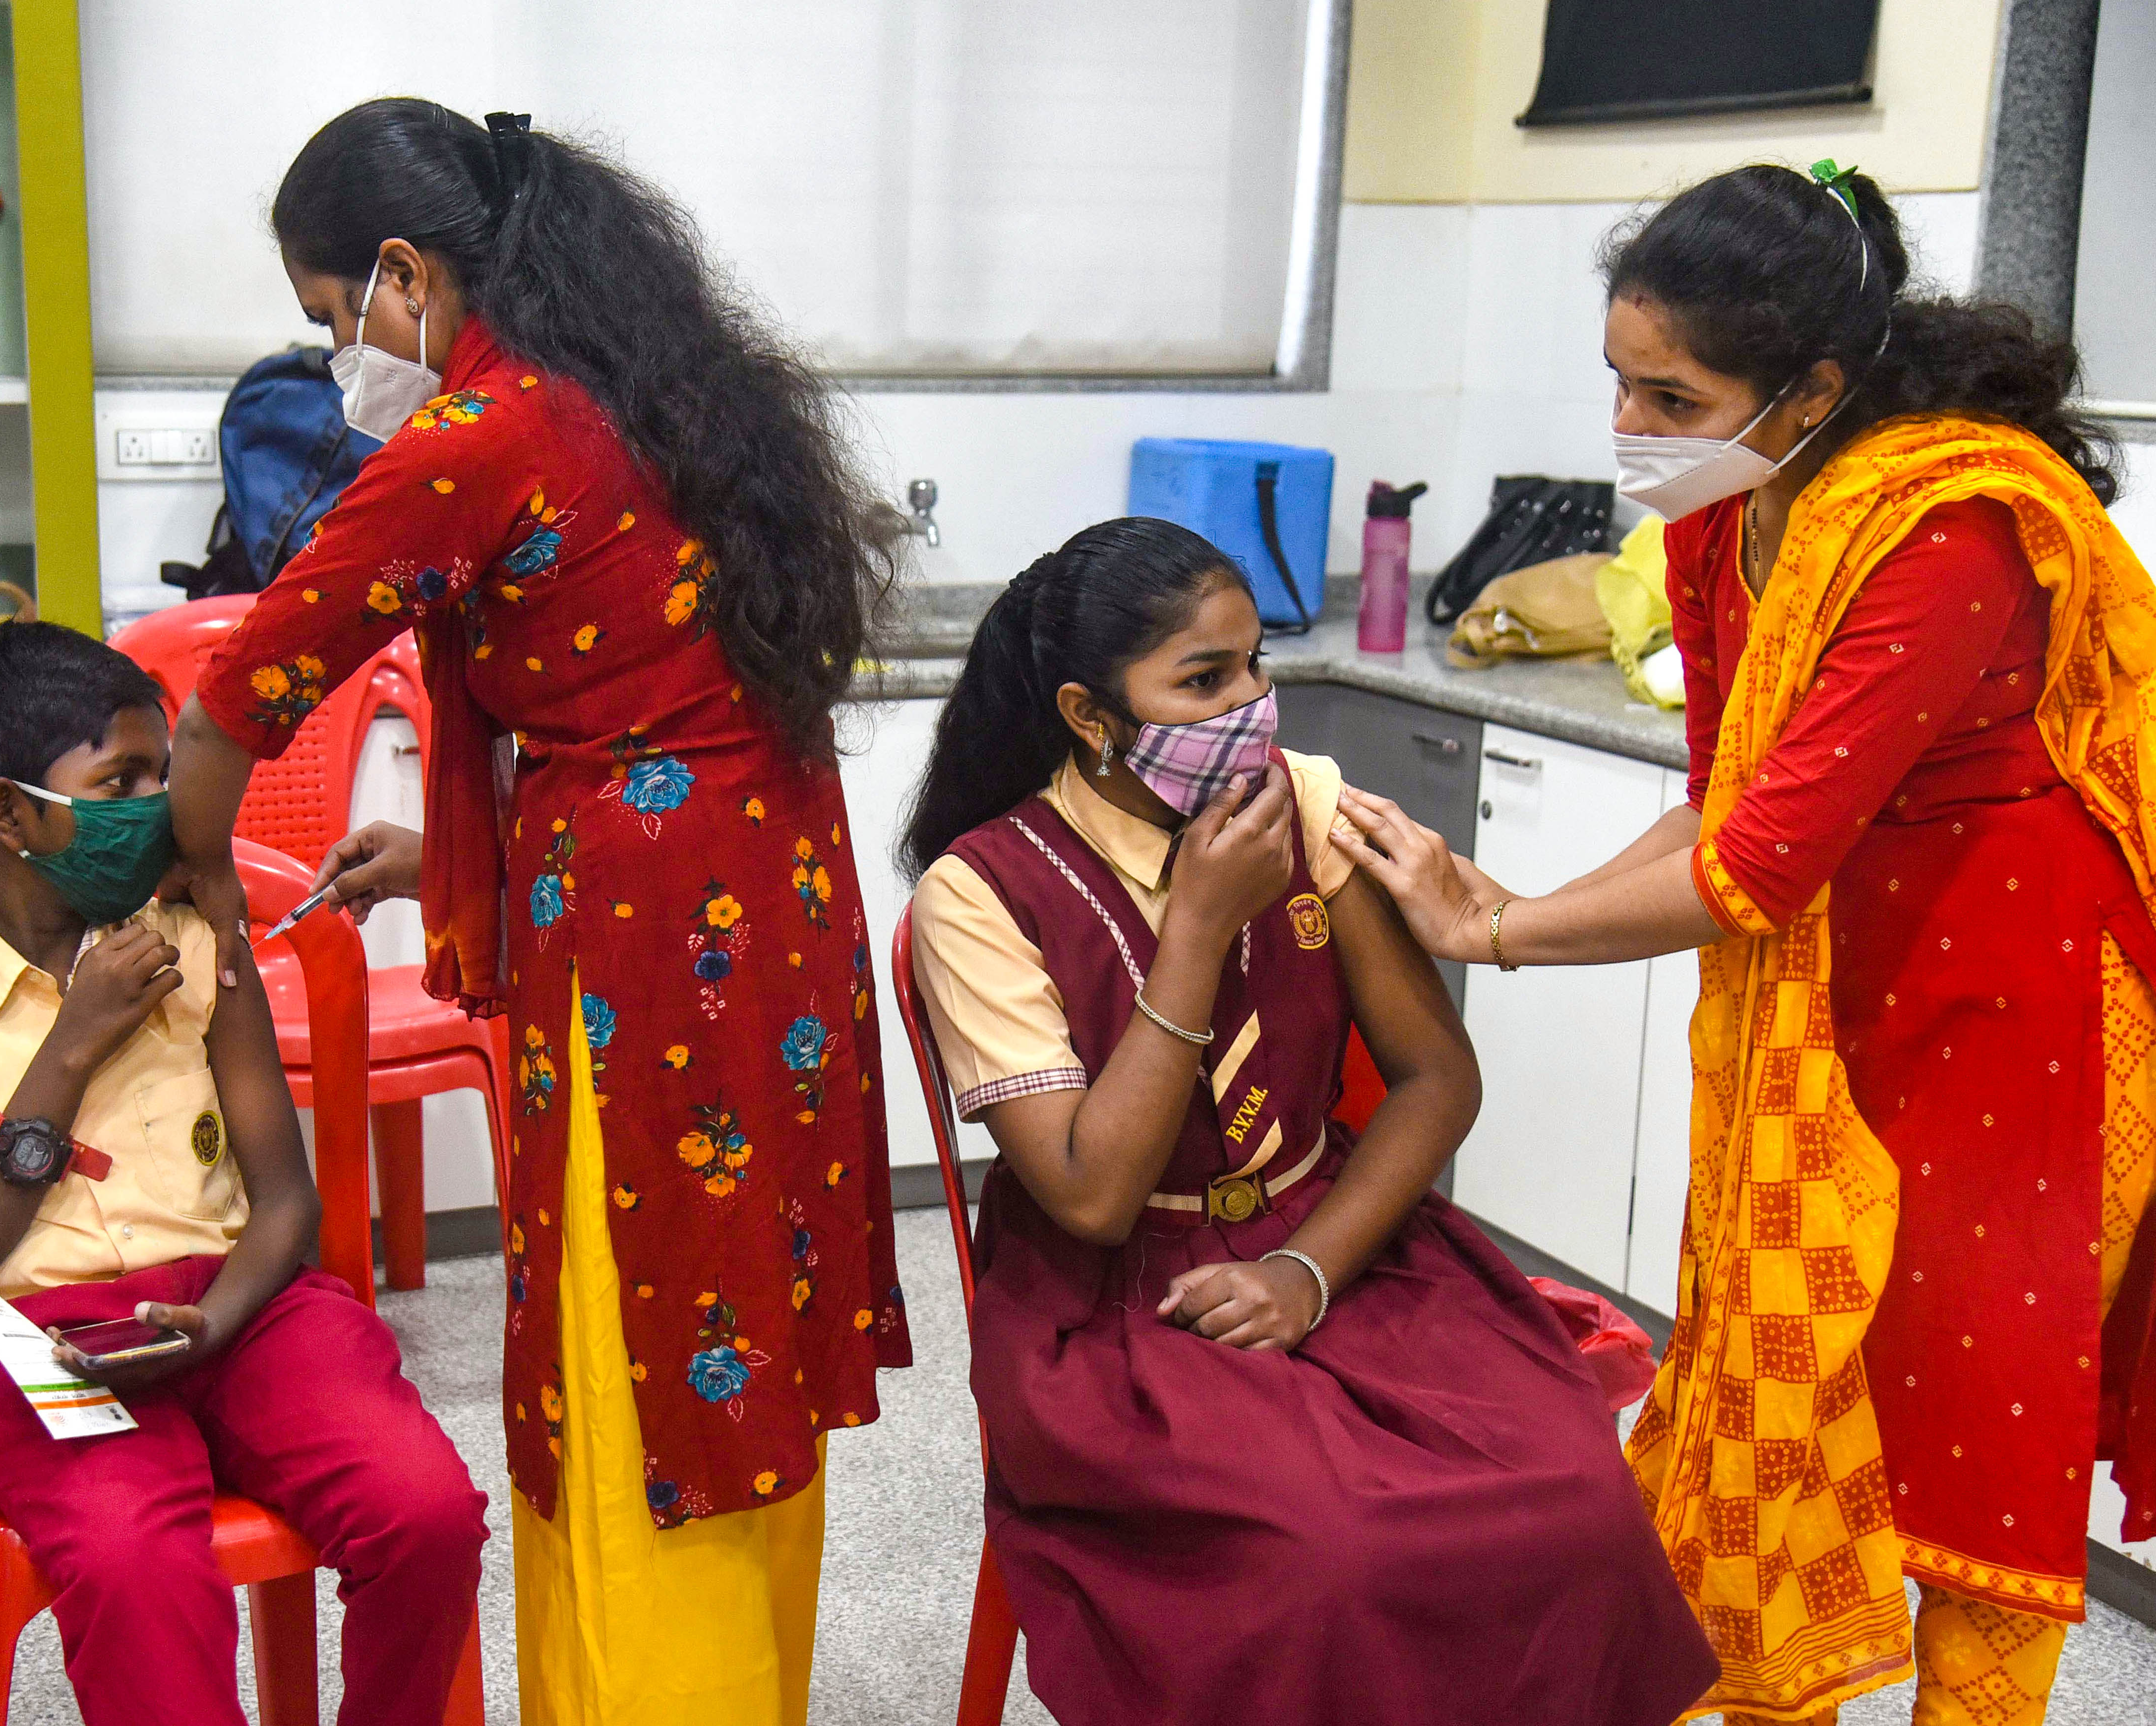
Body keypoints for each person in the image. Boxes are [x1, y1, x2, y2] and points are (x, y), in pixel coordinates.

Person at [1340, 161, 2156, 1726]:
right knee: (1793, 1379)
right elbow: (1724, 808)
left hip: (2021, 1014)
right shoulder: (1733, 515)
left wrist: (1493, 925)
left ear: (1817, 388)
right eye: (1621, 388)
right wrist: (1497, 897)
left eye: (1673, 394)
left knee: (1972, 1425)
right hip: (1843, 991)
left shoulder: (1946, 527)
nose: (1635, 430)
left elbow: (1759, 869)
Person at [166, 100, 911, 1726]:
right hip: (766, 902)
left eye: (329, 322)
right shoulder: (661, 388)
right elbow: (630, 682)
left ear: (402, 273)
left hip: (654, 949)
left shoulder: (480, 436)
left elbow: (236, 700)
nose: (340, 361)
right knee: (736, 1341)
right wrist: (440, 855)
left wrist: (198, 891)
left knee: (646, 1343)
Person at [902, 518, 1720, 1726]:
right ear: (1089, 716)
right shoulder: (981, 890)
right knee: (1332, 1552)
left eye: (1255, 665)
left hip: (1334, 1233)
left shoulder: (1311, 805)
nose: (1252, 707)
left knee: (1579, 1500)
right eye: (1202, 681)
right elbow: (1087, 1194)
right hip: (1122, 1303)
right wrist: (1193, 934)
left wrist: (1307, 1269)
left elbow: (1440, 1078)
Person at [0, 622, 485, 1726]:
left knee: (424, 1510)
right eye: (120, 780)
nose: (162, 805)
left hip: (246, 1304)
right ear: (12, 815)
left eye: (161, 773)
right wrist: (74, 1041)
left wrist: (222, 1321)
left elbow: (286, 1202)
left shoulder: (185, 934)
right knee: (136, 1566)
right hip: (44, 1342)